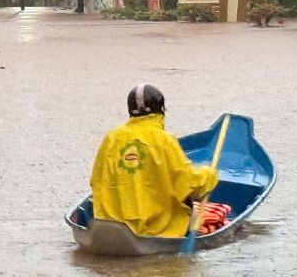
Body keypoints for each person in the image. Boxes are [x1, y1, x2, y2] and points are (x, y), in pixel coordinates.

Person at [90, 84, 218, 237]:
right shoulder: (164, 140)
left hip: (111, 224)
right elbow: (187, 183)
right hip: (155, 229)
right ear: (161, 110)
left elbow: (96, 181)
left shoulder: (111, 137)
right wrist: (210, 175)